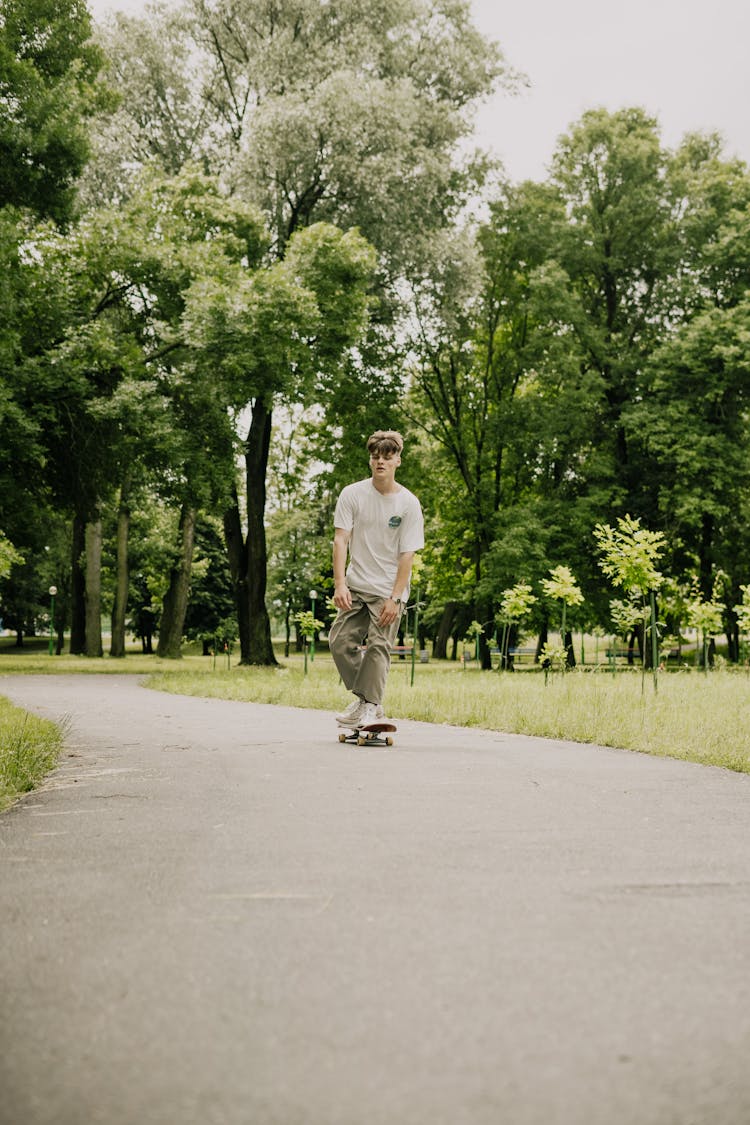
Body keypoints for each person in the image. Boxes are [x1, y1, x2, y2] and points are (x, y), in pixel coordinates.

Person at [329, 430, 424, 728]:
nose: (380, 461)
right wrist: (340, 583)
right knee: (339, 641)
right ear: (370, 460)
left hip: (387, 591)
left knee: (378, 647)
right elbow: (340, 540)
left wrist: (396, 598)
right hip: (356, 585)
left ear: (398, 460)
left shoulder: (408, 503)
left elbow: (407, 555)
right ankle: (370, 700)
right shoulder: (352, 494)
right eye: (375, 457)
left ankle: (369, 706)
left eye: (387, 457)